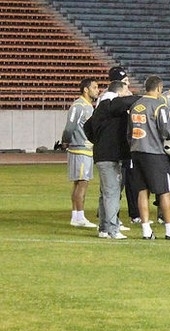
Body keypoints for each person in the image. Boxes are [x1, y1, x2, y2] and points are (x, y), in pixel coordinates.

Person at [128, 75, 170, 240]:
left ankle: (146, 231)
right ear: (159, 88)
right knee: (165, 191)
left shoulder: (136, 105)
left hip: (136, 152)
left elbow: (129, 132)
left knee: (142, 191)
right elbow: (167, 129)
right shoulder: (159, 105)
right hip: (154, 154)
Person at [84, 80, 140, 239]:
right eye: (127, 89)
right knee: (112, 193)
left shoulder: (102, 108)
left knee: (106, 193)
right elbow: (127, 101)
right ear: (119, 92)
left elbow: (87, 127)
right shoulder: (111, 103)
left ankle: (103, 228)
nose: (129, 92)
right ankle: (113, 229)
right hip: (109, 156)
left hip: (103, 155)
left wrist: (99, 141)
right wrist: (148, 98)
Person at [62, 78, 99, 228]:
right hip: (80, 149)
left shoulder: (88, 106)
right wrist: (65, 141)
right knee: (82, 183)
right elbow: (69, 127)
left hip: (84, 149)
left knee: (79, 184)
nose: (97, 90)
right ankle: (80, 216)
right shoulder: (79, 106)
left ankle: (76, 216)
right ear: (86, 89)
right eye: (95, 87)